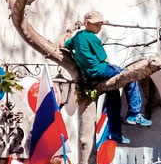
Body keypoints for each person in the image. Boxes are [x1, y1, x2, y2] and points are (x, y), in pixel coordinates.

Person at [64, 9, 151, 143]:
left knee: (113, 97)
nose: (99, 27)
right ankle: (134, 113)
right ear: (87, 23)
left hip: (89, 74)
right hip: (99, 69)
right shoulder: (92, 38)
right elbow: (104, 59)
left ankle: (115, 132)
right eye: (97, 24)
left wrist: (65, 35)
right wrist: (116, 71)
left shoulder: (77, 37)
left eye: (100, 24)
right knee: (130, 77)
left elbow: (65, 44)